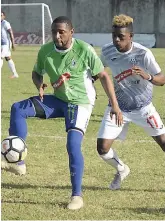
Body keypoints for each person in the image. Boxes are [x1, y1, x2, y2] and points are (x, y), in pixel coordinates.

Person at [2, 16, 123, 210]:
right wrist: (38, 83)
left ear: (71, 32)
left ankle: (77, 196)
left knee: (73, 144)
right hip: (58, 100)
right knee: (18, 108)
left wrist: (115, 105)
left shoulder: (84, 49)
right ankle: (19, 163)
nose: (57, 36)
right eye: (54, 32)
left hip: (80, 103)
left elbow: (103, 76)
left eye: (61, 32)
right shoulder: (46, 51)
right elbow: (36, 72)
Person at [97, 14, 165, 191]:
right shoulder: (107, 51)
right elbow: (98, 71)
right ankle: (121, 169)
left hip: (144, 109)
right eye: (114, 36)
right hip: (118, 108)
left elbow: (162, 78)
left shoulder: (143, 53)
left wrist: (148, 76)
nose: (117, 41)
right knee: (102, 148)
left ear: (131, 37)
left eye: (121, 37)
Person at [1, 11, 18, 78]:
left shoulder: (5, 23)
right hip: (1, 44)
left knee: (0, 57)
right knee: (8, 58)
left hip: (5, 44)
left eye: (1, 15)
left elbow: (11, 33)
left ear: (4, 16)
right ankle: (15, 74)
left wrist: (13, 44)